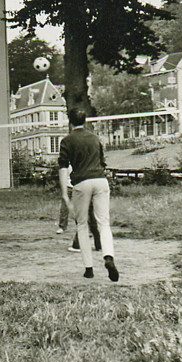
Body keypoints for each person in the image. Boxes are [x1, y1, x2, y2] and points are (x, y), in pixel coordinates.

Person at [59, 108, 119, 282]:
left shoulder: (67, 140)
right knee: (104, 223)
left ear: (70, 122)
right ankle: (108, 257)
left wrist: (64, 193)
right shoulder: (95, 138)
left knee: (82, 225)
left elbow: (63, 168)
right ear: (84, 121)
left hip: (81, 182)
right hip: (100, 180)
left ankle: (88, 268)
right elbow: (102, 162)